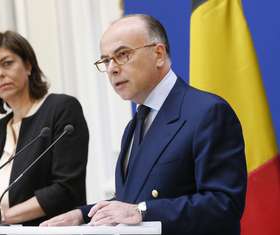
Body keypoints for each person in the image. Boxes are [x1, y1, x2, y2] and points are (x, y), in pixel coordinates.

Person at [40, 14, 247, 235]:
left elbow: (223, 205)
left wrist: (143, 211)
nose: (112, 68)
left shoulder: (207, 112)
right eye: (106, 60)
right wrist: (82, 215)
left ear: (158, 54)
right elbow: (133, 199)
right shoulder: (135, 125)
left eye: (122, 55)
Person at [0, 31, 89, 226]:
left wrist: (1, 217)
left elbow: (65, 188)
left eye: (7, 63)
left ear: (28, 65)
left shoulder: (61, 109)